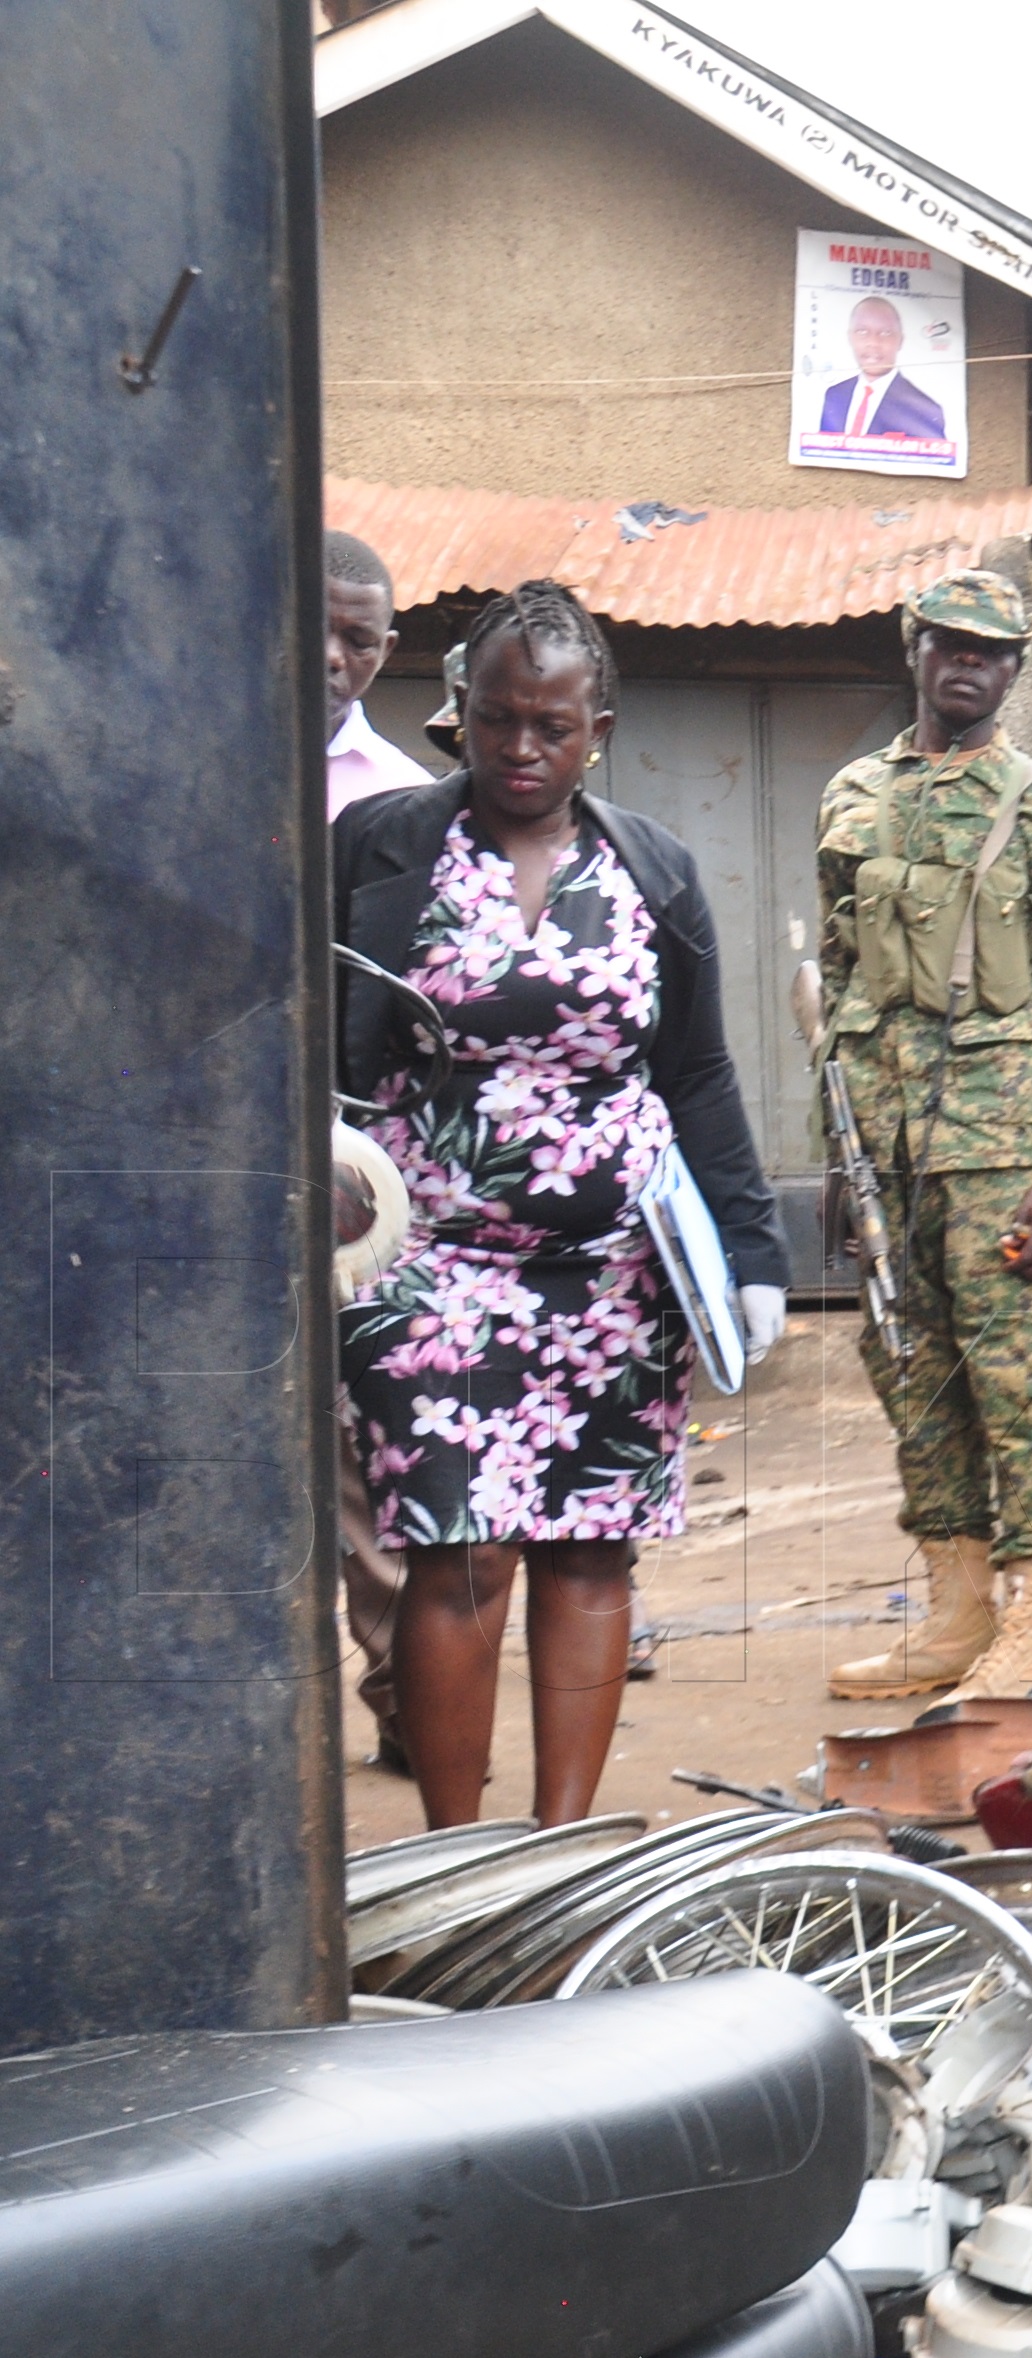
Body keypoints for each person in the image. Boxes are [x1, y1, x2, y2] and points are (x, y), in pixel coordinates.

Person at [333, 581, 784, 1825]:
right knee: (457, 1544)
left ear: (602, 728)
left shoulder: (657, 869)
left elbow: (693, 1069)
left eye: (552, 726)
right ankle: (458, 1852)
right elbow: (307, 1034)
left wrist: (748, 1250)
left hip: (615, 1270)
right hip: (428, 1260)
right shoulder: (378, 847)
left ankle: (562, 1849)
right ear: (459, 715)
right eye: (496, 720)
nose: (521, 749)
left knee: (590, 1542)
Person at [815, 569, 1032, 1703]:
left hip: (1000, 1144)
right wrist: (836, 1155)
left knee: (1024, 1379)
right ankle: (955, 1609)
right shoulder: (851, 796)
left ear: (1014, 666)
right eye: (949, 644)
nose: (967, 665)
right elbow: (840, 983)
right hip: (885, 1141)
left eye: (990, 652)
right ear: (915, 647)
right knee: (912, 1372)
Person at [323, 530, 437, 1775]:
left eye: (364, 639)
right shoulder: (195, 749)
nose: (342, 658)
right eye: (324, 629)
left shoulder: (399, 797)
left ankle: (406, 1694)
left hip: (355, 1156)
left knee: (368, 1429)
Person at [324, 532, 436, 816]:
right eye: (313, 629)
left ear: (385, 651)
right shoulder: (202, 758)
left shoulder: (409, 800)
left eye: (358, 642)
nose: (332, 657)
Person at [817, 294, 949, 445]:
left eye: (885, 333)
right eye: (862, 332)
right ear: (850, 337)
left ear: (900, 340)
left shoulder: (925, 409)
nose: (873, 342)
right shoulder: (834, 395)